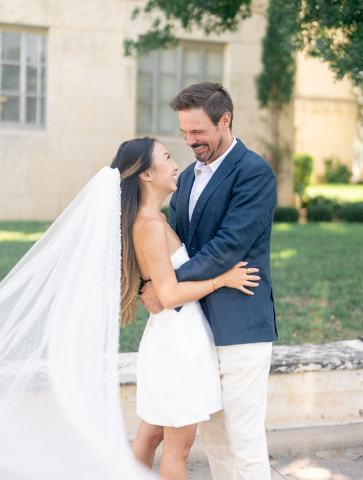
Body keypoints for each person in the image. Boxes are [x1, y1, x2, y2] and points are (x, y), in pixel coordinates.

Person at [0, 138, 257, 480]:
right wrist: (222, 279)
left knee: (150, 436)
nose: (176, 163)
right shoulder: (149, 226)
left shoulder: (149, 219)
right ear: (147, 173)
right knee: (177, 450)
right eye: (166, 157)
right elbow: (167, 294)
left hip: (169, 341)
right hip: (177, 347)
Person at [140, 82, 280, 479]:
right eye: (184, 132)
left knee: (244, 441)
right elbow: (175, 243)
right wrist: (156, 282)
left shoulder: (255, 172)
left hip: (241, 326)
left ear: (225, 120)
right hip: (195, 330)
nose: (190, 141)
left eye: (198, 132)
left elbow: (227, 247)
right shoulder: (185, 178)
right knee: (215, 442)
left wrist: (165, 287)